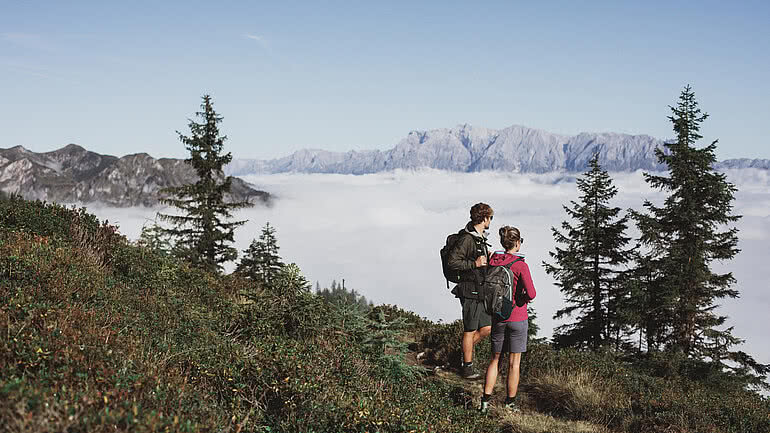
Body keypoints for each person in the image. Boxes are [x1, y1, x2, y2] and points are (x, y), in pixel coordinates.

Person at [480, 226, 536, 413]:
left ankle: (485, 402)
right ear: (518, 243)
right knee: (514, 363)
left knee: (494, 360)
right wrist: (521, 300)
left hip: (498, 317)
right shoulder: (521, 265)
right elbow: (532, 293)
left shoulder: (494, 261)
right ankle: (510, 404)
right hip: (517, 317)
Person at [447, 202, 494, 379]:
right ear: (484, 218)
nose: (491, 221)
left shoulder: (479, 238)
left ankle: (460, 355)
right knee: (470, 329)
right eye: (490, 218)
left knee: (487, 327)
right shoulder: (467, 239)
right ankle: (467, 367)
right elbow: (453, 261)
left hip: (479, 290)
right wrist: (474, 264)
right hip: (469, 290)